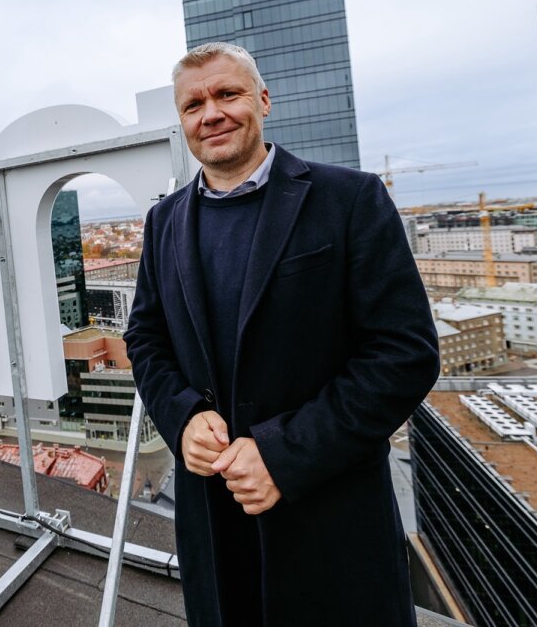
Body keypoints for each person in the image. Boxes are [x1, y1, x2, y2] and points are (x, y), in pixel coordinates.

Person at [125, 42, 439, 626]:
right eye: (193, 104)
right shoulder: (163, 222)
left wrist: (283, 454)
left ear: (263, 100)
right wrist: (183, 416)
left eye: (227, 94)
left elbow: (404, 354)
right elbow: (145, 337)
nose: (210, 113)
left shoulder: (349, 199)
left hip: (328, 520)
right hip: (215, 523)